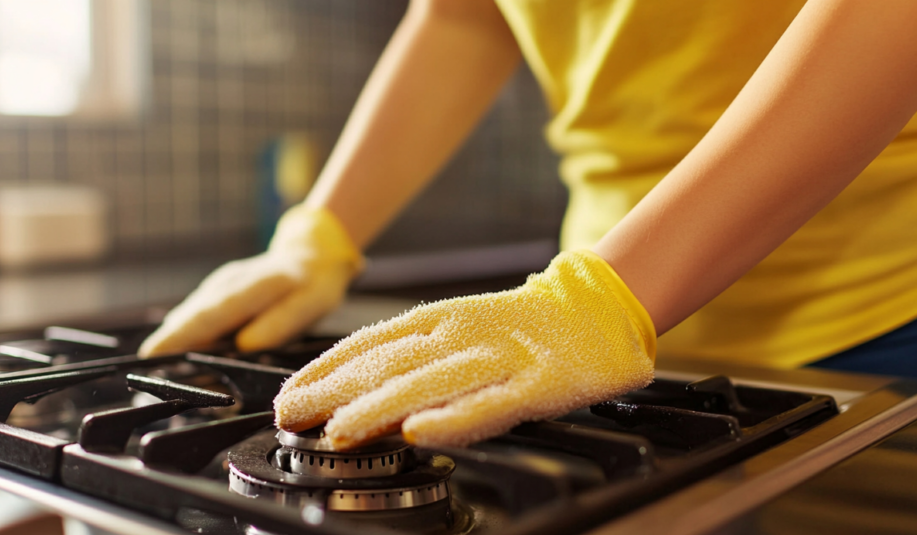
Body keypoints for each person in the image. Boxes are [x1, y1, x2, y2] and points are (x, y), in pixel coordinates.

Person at [139, 0, 917, 450]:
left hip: (876, 320)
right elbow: (466, 15)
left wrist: (606, 298)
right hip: (605, 349)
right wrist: (323, 231)